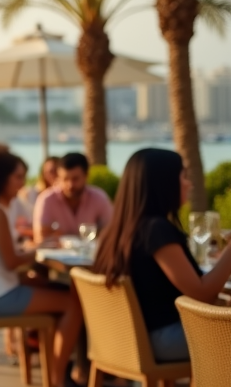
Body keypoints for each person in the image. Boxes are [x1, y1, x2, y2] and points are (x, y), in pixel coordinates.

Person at [0, 144, 85, 387]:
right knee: (74, 303)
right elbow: (12, 262)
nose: (22, 184)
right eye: (17, 177)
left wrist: (36, 248)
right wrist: (39, 250)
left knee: (62, 289)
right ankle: (58, 379)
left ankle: (59, 365)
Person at [93, 148, 231, 362]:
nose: (188, 183)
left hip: (128, 337)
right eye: (183, 176)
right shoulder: (155, 231)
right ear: (164, 183)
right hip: (162, 338)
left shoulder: (118, 230)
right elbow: (202, 294)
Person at [33, 152, 113, 242]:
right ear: (58, 177)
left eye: (75, 179)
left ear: (86, 176)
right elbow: (41, 238)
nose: (70, 185)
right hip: (56, 255)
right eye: (65, 179)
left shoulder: (99, 198)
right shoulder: (47, 199)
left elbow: (111, 233)